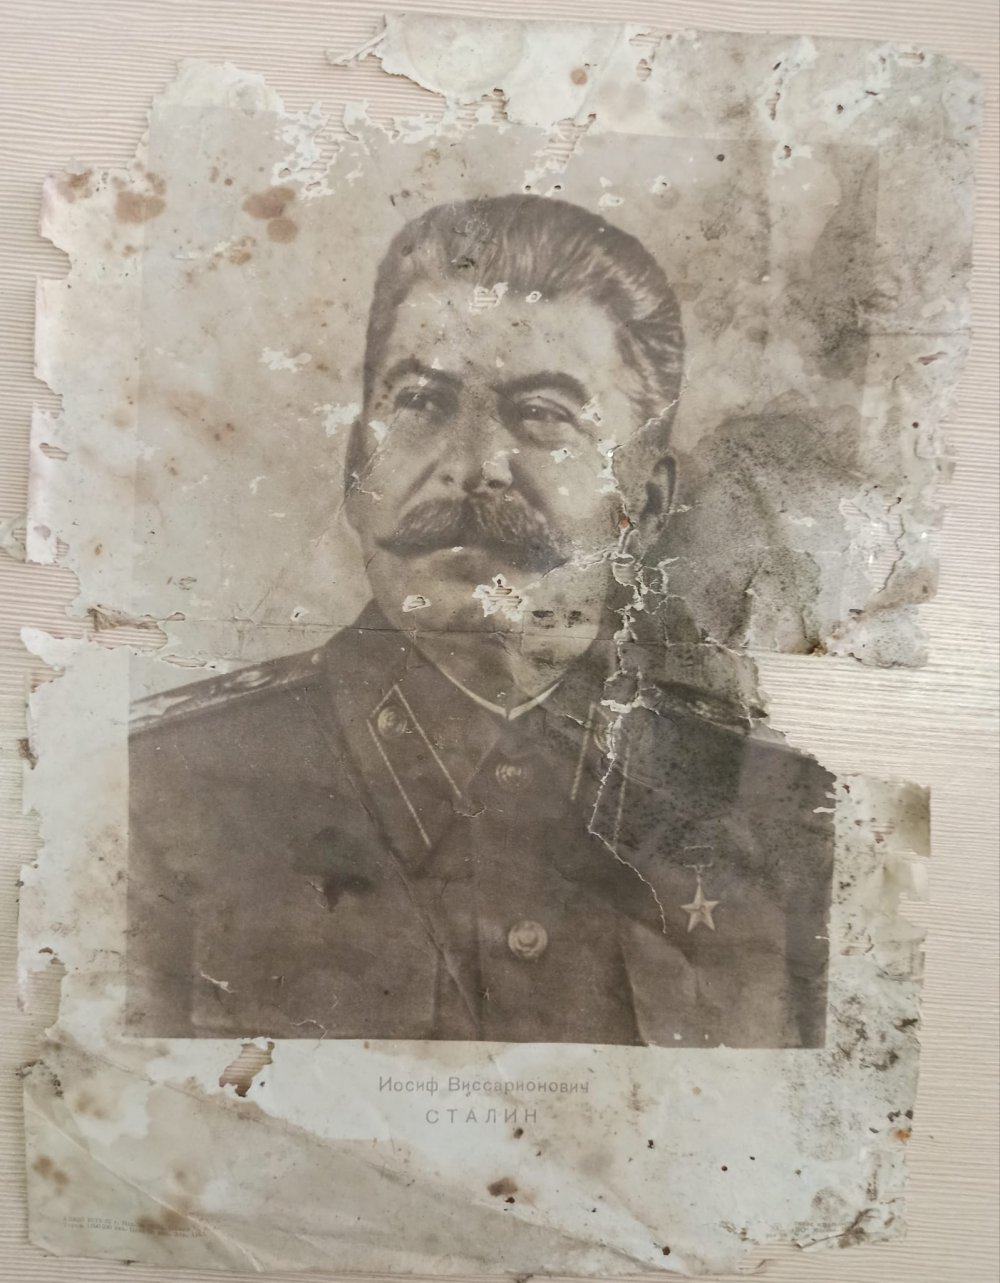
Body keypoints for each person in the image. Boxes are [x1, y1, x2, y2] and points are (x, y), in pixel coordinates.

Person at [127, 195, 833, 1045]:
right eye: (422, 403)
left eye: (543, 414)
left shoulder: (787, 817)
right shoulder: (159, 789)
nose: (470, 468)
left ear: (644, 506)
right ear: (356, 470)